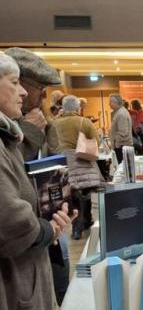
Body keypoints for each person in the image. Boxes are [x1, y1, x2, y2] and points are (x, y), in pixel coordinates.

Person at [0, 52, 77, 310]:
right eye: (24, 86)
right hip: (18, 258)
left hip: (38, 238)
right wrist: (45, 230)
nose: (37, 97)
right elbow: (10, 208)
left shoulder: (17, 125)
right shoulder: (13, 130)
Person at [49, 95, 103, 240]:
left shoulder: (54, 123)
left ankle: (78, 225)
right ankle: (81, 225)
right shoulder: (83, 122)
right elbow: (97, 140)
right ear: (78, 107)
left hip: (62, 164)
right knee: (85, 193)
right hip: (82, 161)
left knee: (72, 196)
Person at [5, 47, 62, 160]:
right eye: (40, 87)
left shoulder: (42, 119)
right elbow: (10, 165)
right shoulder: (5, 121)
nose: (45, 95)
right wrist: (30, 130)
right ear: (19, 83)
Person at [108, 93, 132, 164]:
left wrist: (115, 143)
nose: (109, 104)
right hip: (121, 146)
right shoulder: (118, 112)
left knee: (123, 168)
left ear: (115, 102)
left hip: (122, 146)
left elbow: (123, 132)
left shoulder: (121, 114)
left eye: (110, 102)